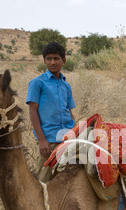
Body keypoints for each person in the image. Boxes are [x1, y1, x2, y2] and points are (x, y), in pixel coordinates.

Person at [26, 42, 76, 183]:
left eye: (56, 58)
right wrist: (42, 140)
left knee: (67, 180)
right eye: (49, 59)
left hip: (68, 139)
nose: (52, 62)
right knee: (43, 180)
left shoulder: (66, 85)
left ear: (63, 61)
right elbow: (33, 111)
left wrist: (75, 133)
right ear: (44, 61)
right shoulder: (37, 83)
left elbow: (69, 112)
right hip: (48, 140)